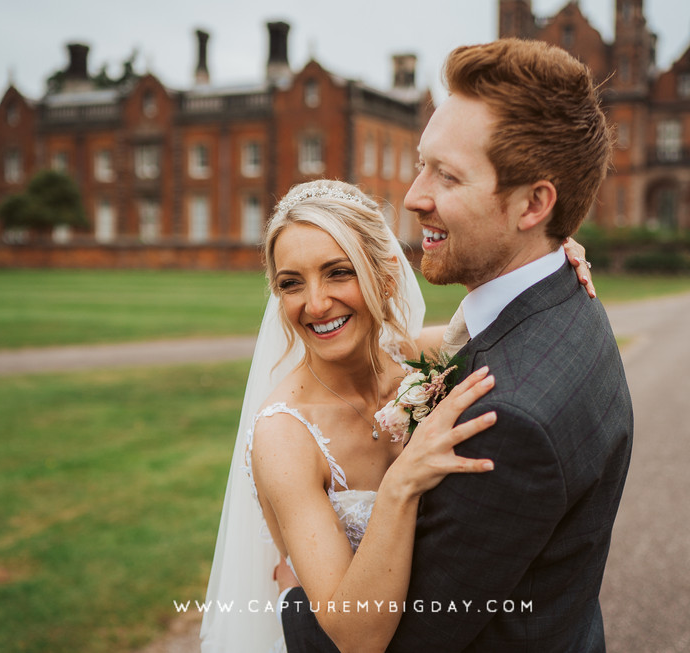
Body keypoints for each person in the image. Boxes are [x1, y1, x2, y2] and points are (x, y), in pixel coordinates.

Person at [281, 38, 633, 652]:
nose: (414, 196)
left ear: (533, 204)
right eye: (423, 162)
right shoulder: (572, 303)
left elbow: (407, 637)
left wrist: (286, 599)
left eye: (447, 174)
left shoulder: (509, 417)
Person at [199, 180, 595, 653]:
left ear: (386, 276)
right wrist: (401, 484)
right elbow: (355, 635)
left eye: (338, 273)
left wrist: (548, 256)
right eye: (291, 283)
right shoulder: (284, 436)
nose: (316, 303)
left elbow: (492, 314)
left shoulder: (419, 358)